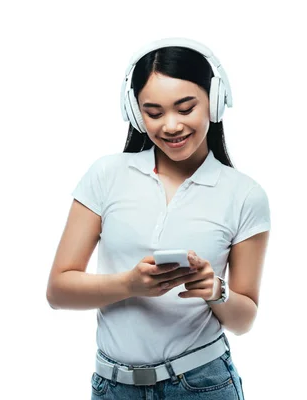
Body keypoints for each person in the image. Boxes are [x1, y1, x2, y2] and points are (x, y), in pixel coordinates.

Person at [45, 37, 271, 399]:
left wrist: (215, 290)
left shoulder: (244, 195)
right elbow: (58, 291)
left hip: (202, 383)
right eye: (154, 112)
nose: (171, 126)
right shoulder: (107, 175)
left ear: (213, 103)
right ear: (135, 114)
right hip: (113, 386)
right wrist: (130, 285)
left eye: (185, 108)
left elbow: (244, 320)